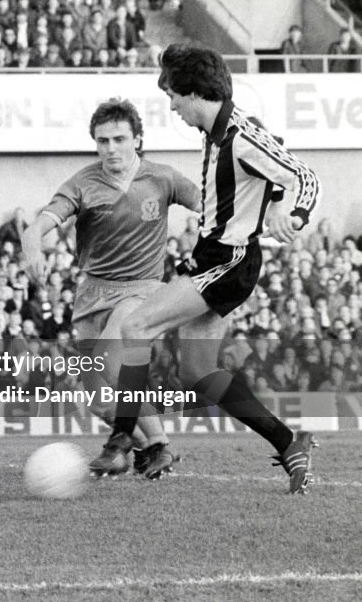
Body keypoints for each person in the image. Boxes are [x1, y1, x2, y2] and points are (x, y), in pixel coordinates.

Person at [96, 45, 321, 495]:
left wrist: (291, 214)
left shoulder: (238, 135)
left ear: (195, 92)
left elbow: (303, 175)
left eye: (174, 97)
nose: (173, 107)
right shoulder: (220, 133)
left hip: (231, 260)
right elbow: (273, 172)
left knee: (136, 327)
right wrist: (274, 199)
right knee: (197, 373)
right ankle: (289, 442)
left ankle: (121, 440)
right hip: (211, 257)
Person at [21, 97, 200, 479]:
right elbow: (40, 223)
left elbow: (211, 204)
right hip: (92, 294)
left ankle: (153, 446)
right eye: (102, 141)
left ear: (137, 138)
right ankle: (152, 447)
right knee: (100, 401)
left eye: (119, 139)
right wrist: (33, 246)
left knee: (109, 357)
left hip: (143, 289)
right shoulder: (84, 183)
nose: (110, 148)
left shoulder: (163, 178)